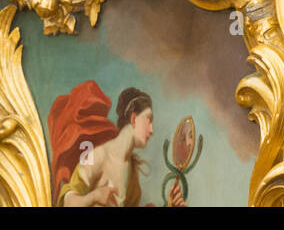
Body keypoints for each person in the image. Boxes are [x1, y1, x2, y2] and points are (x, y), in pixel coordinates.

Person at [50, 82, 186, 207]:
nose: (152, 130)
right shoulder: (99, 156)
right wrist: (94, 196)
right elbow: (67, 202)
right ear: (134, 119)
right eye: (149, 120)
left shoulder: (131, 168)